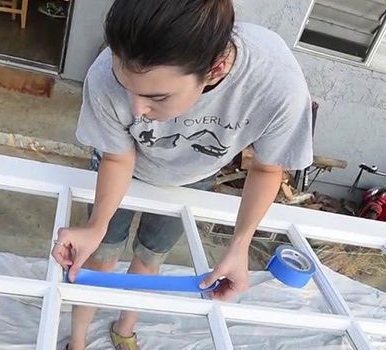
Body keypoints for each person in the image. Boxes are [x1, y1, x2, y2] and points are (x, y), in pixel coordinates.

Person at [51, 0, 313, 349]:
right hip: (122, 168)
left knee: (150, 257)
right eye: (124, 86)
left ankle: (125, 329)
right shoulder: (104, 74)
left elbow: (267, 168)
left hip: (192, 176)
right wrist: (96, 226)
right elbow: (118, 157)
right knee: (99, 256)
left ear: (216, 69)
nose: (136, 109)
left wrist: (240, 245)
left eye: (156, 96)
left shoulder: (276, 85)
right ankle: (79, 339)